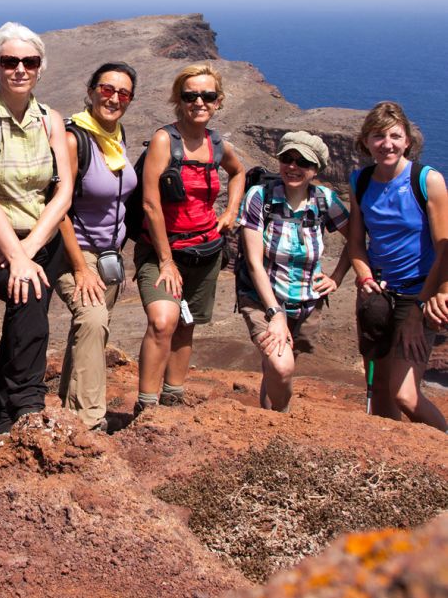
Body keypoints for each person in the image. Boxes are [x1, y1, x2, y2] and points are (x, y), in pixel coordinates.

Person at [0, 23, 73, 446]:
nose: (20, 69)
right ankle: (27, 405)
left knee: (23, 315)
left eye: (30, 61)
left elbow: (63, 192)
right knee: (28, 301)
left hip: (38, 241)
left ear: (40, 68)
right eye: (10, 61)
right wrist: (16, 254)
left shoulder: (50, 120)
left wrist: (27, 250)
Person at [134, 63, 244, 414]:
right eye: (190, 95)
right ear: (178, 101)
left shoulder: (217, 144)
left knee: (187, 324)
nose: (199, 101)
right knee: (163, 321)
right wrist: (166, 261)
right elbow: (151, 205)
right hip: (163, 252)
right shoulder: (165, 140)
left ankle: (173, 398)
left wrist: (230, 213)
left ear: (218, 101)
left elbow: (238, 172)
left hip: (206, 250)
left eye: (207, 96)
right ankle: (147, 407)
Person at [349, 101, 448, 432]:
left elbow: (444, 249)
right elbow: (356, 242)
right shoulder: (359, 181)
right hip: (377, 295)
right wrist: (363, 276)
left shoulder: (427, 181)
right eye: (378, 136)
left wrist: (421, 309)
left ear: (408, 140)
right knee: (379, 394)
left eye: (394, 135)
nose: (386, 144)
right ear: (366, 142)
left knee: (405, 395)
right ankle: (386, 463)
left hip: (419, 294)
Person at [237, 132, 350, 411]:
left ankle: (266, 427)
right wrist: (275, 314)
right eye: (288, 158)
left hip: (307, 304)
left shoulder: (325, 200)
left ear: (316, 169)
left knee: (276, 368)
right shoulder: (260, 197)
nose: (293, 167)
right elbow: (253, 262)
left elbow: (357, 241)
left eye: (303, 162)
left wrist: (337, 278)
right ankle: (281, 423)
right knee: (282, 366)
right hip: (264, 300)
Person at [55, 62, 138, 430]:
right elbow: (57, 208)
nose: (114, 98)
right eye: (106, 89)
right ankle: (88, 421)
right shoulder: (75, 140)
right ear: (90, 91)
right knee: (92, 319)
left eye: (123, 93)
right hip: (76, 253)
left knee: (88, 330)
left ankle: (66, 410)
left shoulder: (118, 136)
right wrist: (79, 267)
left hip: (109, 256)